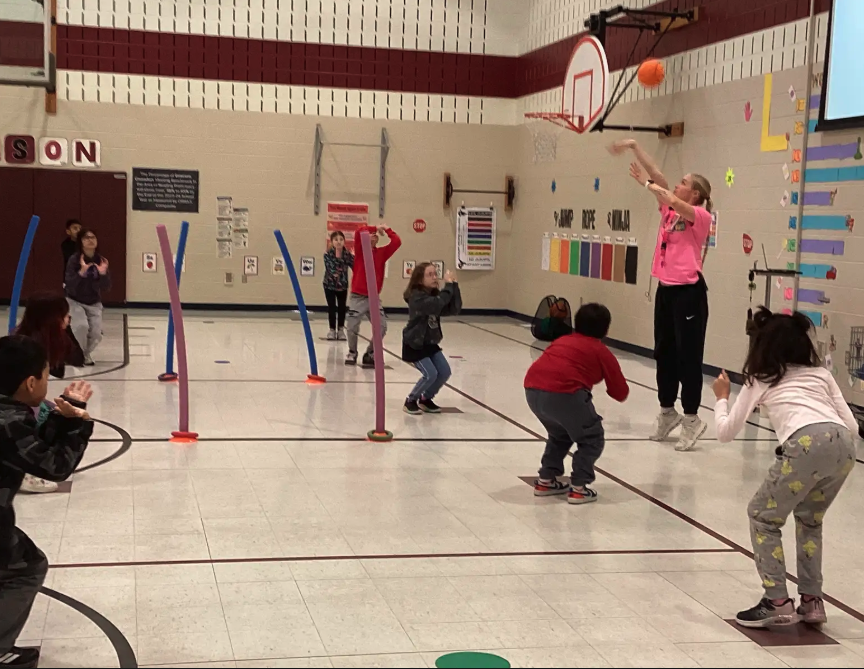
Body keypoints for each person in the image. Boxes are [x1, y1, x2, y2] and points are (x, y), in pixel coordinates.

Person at [713, 308, 857, 629]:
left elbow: (725, 432)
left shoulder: (762, 378)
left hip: (805, 444)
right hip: (844, 447)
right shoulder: (821, 374)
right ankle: (812, 601)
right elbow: (851, 425)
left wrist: (722, 397)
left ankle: (777, 600)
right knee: (809, 520)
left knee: (762, 516)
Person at [609, 138, 713, 452]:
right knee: (663, 353)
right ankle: (668, 412)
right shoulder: (668, 209)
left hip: (689, 295)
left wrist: (648, 185)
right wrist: (633, 146)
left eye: (684, 183)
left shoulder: (699, 216)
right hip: (666, 292)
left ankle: (693, 418)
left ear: (694, 193)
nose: (676, 185)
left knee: (688, 357)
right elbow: (657, 174)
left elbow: (668, 193)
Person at [0, 336, 94, 669]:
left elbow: (28, 447)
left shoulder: (9, 414)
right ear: (29, 382)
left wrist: (62, 417)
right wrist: (78, 424)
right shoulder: (8, 421)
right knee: (27, 568)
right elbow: (55, 467)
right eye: (44, 375)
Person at [524, 303, 629, 504]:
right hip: (565, 394)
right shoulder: (601, 351)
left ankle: (546, 480)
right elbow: (620, 393)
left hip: (531, 390)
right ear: (606, 329)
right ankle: (579, 487)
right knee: (592, 437)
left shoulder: (562, 341)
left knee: (559, 434)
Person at [13, 293, 84, 494]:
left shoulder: (41, 341)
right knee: (44, 415)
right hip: (13, 405)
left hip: (20, 402)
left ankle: (43, 459)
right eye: (64, 315)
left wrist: (65, 330)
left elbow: (76, 358)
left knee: (51, 411)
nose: (68, 319)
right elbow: (20, 393)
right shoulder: (28, 348)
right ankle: (27, 471)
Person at [402, 263, 461, 415]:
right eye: (430, 275)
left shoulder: (435, 295)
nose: (435, 277)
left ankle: (426, 398)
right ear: (420, 279)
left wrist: (454, 285)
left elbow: (454, 308)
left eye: (436, 274)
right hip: (415, 343)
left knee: (444, 372)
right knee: (430, 374)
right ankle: (411, 400)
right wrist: (448, 287)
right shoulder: (417, 297)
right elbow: (436, 305)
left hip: (430, 342)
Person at [345, 224, 402, 367]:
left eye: (374, 235)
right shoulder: (360, 252)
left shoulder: (381, 254)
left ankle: (370, 353)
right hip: (358, 297)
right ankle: (352, 352)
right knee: (352, 326)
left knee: (382, 326)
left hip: (373, 298)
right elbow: (358, 231)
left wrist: (386, 229)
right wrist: (373, 227)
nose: (373, 236)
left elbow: (397, 242)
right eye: (370, 234)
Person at [65, 228, 111, 366]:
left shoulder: (101, 260)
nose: (90, 240)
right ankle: (81, 355)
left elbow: (107, 286)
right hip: (74, 300)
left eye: (93, 237)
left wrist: (103, 274)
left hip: (94, 302)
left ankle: (83, 354)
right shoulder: (74, 260)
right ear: (81, 242)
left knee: (96, 333)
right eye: (86, 238)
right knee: (81, 327)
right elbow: (69, 284)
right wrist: (81, 273)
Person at [322, 231, 354, 340]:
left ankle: (341, 330)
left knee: (342, 308)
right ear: (332, 242)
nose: (339, 242)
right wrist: (342, 263)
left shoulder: (347, 254)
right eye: (336, 240)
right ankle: (332, 330)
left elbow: (354, 266)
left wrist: (354, 257)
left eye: (341, 239)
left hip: (342, 285)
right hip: (329, 285)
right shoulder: (327, 254)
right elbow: (332, 270)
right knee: (332, 307)